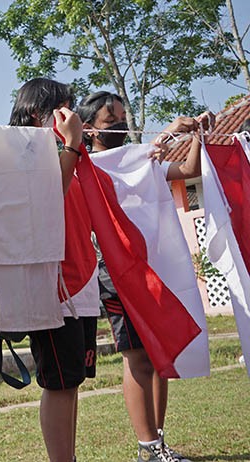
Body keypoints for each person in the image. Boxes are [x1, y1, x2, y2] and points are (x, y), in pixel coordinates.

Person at [76, 91, 214, 462]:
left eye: (124, 119)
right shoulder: (85, 165)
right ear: (88, 130)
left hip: (153, 268)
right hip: (115, 271)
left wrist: (196, 137)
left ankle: (158, 442)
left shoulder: (141, 158)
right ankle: (147, 446)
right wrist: (163, 137)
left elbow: (188, 172)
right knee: (137, 357)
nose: (121, 127)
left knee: (158, 354)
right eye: (112, 122)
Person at [8, 77, 99, 462]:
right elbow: (47, 200)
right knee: (59, 384)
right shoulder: (21, 155)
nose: (71, 116)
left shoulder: (68, 154)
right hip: (53, 288)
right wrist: (72, 145)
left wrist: (73, 148)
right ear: (35, 113)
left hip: (82, 280)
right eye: (62, 108)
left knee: (72, 383)